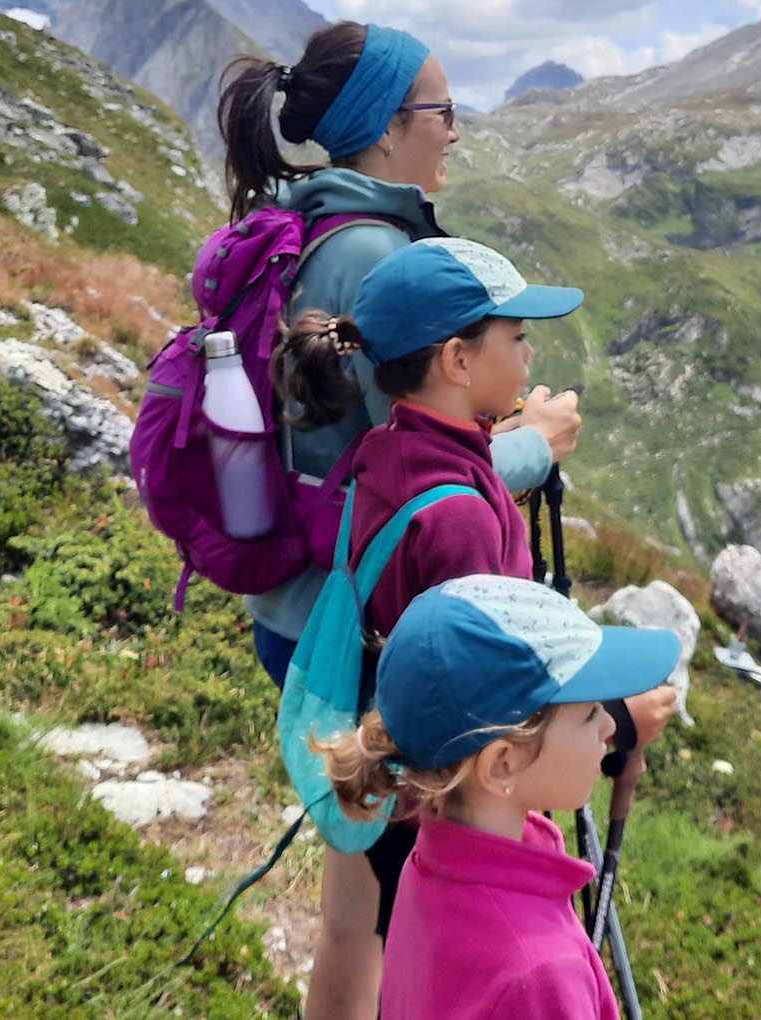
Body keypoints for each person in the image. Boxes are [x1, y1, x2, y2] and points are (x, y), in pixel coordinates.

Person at [218, 23, 581, 1020]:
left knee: (362, 888)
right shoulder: (370, 251)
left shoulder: (314, 223)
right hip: (365, 634)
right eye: (443, 113)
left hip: (312, 601)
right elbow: (422, 465)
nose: (456, 132)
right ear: (386, 129)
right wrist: (535, 443)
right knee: (403, 902)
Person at [275, 237, 677, 1017]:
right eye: (516, 338)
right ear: (458, 360)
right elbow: (480, 674)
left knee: (367, 926)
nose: (529, 355)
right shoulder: (461, 515)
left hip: (393, 744)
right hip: (439, 785)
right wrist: (618, 718)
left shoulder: (390, 451)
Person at [326, 574, 681, 1020]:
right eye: (591, 712)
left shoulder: (429, 868)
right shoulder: (541, 975)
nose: (610, 729)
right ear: (502, 764)